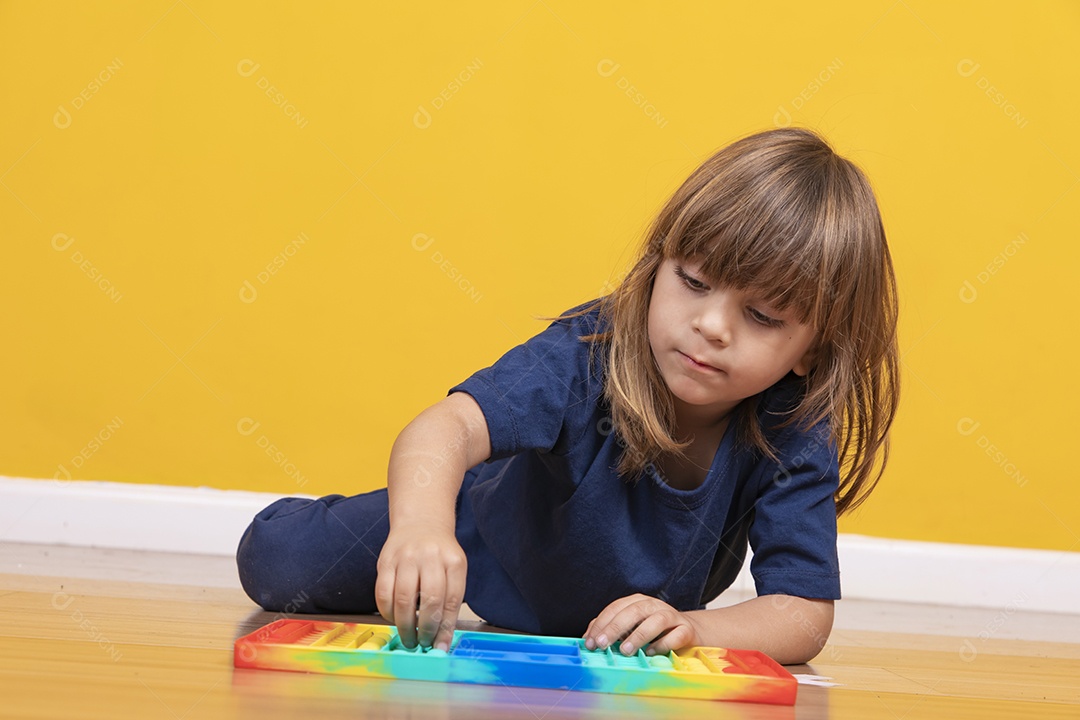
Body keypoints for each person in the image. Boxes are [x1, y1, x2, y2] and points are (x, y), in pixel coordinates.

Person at [236, 127, 900, 665]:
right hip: (479, 535)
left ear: (813, 348)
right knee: (277, 562)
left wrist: (694, 629)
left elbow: (802, 612)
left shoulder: (795, 427)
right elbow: (444, 430)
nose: (712, 326)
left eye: (762, 317)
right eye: (693, 281)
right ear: (657, 262)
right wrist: (421, 530)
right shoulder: (589, 351)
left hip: (603, 619)